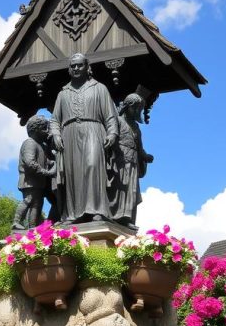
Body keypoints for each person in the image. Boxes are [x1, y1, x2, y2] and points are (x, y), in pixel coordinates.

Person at [49, 53, 118, 223]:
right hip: (69, 135)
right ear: (69, 69)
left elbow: (110, 115)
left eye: (80, 65)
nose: (76, 68)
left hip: (93, 130)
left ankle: (96, 210)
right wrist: (56, 134)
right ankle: (73, 214)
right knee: (73, 173)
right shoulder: (62, 93)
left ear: (88, 67)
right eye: (73, 66)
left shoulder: (99, 88)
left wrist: (112, 133)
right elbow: (55, 120)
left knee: (93, 166)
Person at [108, 93, 153, 228]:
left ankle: (127, 218)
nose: (137, 111)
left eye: (139, 109)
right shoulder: (118, 121)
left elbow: (139, 147)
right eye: (136, 108)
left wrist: (145, 156)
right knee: (119, 188)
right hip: (119, 160)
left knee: (131, 191)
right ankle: (115, 215)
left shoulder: (136, 127)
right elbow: (112, 138)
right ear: (128, 106)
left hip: (133, 162)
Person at [12, 115, 55, 229]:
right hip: (29, 181)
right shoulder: (30, 143)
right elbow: (30, 163)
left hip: (38, 182)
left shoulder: (41, 146)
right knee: (28, 200)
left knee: (38, 204)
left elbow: (45, 159)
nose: (47, 132)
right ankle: (16, 222)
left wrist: (51, 163)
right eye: (44, 128)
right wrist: (47, 172)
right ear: (36, 129)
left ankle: (33, 226)